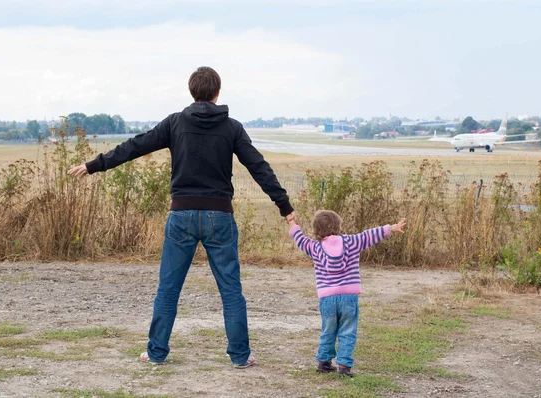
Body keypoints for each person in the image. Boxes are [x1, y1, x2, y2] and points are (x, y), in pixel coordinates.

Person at [68, 66, 294, 368]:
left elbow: (134, 146)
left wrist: (95, 164)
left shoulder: (175, 123)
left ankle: (156, 353)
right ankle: (240, 356)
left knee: (169, 288)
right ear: (217, 93)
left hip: (181, 216)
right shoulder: (232, 128)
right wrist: (285, 206)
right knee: (231, 290)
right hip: (220, 217)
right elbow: (259, 167)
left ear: (192, 91)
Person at [287, 210, 406, 377]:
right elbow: (369, 235)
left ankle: (323, 361)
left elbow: (299, 238)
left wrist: (292, 222)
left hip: (327, 298)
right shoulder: (352, 242)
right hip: (349, 297)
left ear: (316, 230)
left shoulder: (314, 247)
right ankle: (344, 365)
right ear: (338, 226)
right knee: (348, 331)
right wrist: (391, 228)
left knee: (328, 330)